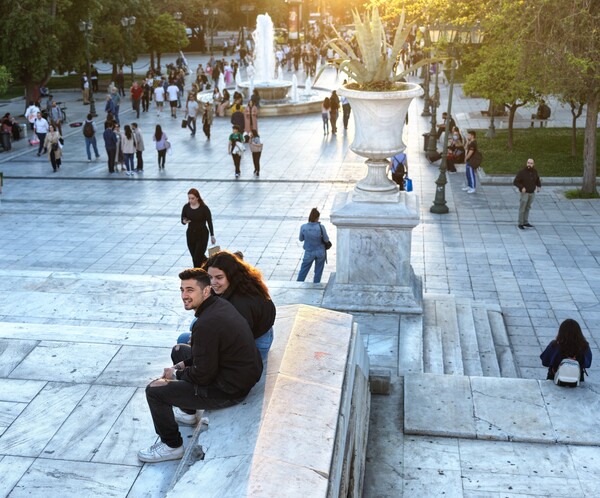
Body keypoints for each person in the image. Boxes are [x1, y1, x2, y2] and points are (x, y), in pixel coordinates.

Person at [138, 268, 262, 463]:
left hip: (228, 390)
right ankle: (188, 413)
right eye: (182, 290)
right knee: (179, 350)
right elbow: (203, 354)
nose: (184, 296)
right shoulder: (218, 306)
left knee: (154, 390)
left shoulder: (207, 323)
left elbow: (203, 375)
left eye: (190, 290)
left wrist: (174, 377)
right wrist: (180, 366)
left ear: (206, 291)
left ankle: (172, 446)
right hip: (233, 374)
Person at [202, 251, 276, 361]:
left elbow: (238, 342)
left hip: (256, 341)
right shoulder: (236, 283)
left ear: (231, 275)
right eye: (210, 277)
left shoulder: (240, 304)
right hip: (249, 329)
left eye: (219, 277)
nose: (213, 282)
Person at [181, 188, 216, 268]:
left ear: (197, 198)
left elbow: (209, 221)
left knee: (197, 258)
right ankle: (207, 266)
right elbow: (182, 220)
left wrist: (212, 235)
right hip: (190, 234)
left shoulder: (204, 208)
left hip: (202, 234)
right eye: (189, 198)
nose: (190, 200)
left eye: (192, 198)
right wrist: (184, 221)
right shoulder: (186, 207)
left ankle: (197, 274)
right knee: (195, 257)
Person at [297, 207, 330, 284]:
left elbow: (301, 239)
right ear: (317, 218)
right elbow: (326, 239)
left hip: (309, 252)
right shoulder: (321, 227)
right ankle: (315, 286)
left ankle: (297, 285)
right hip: (320, 252)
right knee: (318, 272)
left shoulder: (303, 227)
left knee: (303, 271)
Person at [513, 158, 541, 230]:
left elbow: (537, 179)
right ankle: (520, 223)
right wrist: (522, 187)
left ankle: (525, 222)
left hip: (532, 193)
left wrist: (539, 186)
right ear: (526, 163)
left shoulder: (535, 171)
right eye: (528, 163)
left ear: (533, 164)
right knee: (522, 208)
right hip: (525, 193)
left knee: (528, 208)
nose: (529, 164)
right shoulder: (522, 172)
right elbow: (515, 182)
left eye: (531, 163)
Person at [462, 130, 478, 194]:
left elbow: (470, 152)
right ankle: (469, 186)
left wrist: (466, 158)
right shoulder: (470, 142)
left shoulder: (473, 143)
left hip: (471, 161)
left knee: (471, 174)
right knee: (468, 174)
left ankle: (473, 188)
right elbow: (465, 148)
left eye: (469, 135)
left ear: (472, 136)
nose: (468, 136)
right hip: (469, 161)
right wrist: (467, 141)